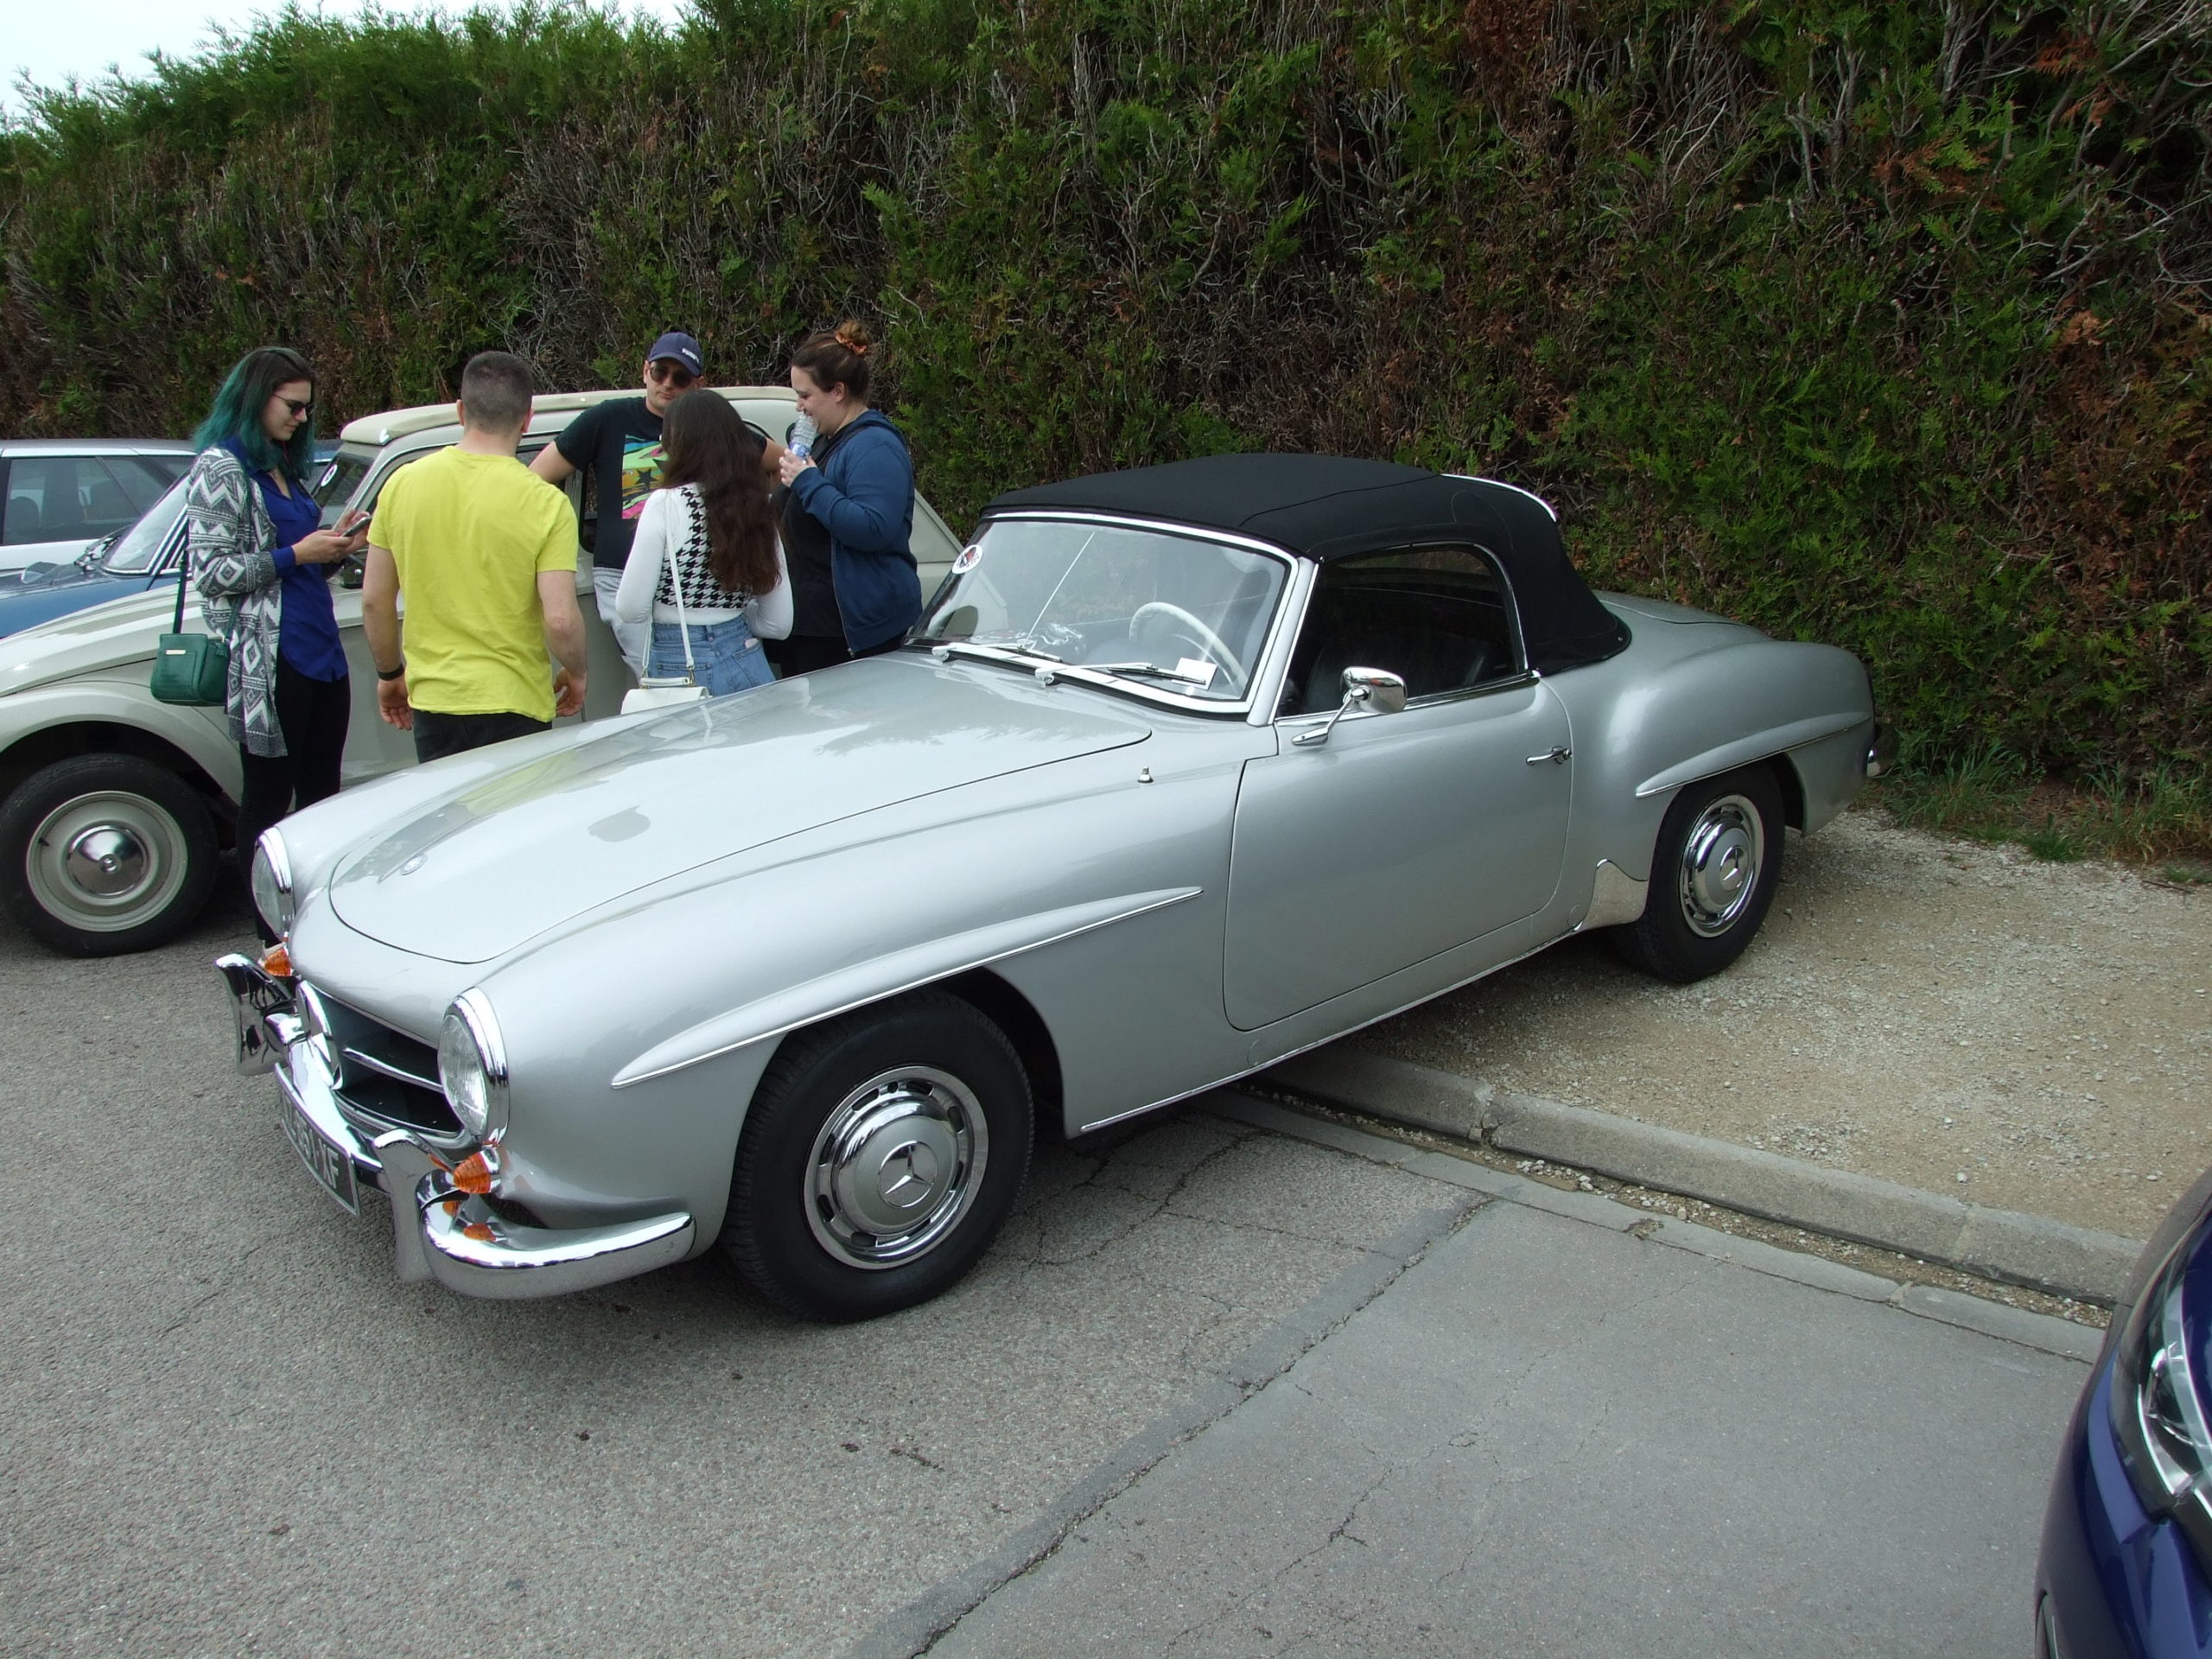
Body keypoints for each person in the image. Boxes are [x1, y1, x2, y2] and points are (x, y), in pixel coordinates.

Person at [185, 345, 368, 921]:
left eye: (308, 407)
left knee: (323, 794)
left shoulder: (283, 466)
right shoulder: (221, 468)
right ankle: (270, 931)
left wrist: (334, 548)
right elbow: (212, 572)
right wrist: (296, 553)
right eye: (293, 406)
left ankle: (320, 920)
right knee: (267, 798)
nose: (302, 418)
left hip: (320, 648)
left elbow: (298, 566)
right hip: (270, 658)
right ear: (255, 399)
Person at [361, 351, 588, 763]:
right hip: (515, 698)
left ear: (461, 411)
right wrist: (577, 671)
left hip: (434, 700)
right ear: (527, 419)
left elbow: (375, 600)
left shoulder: (402, 484)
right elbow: (560, 619)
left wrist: (390, 674)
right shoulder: (546, 503)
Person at [530, 329, 711, 680]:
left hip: (691, 577)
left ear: (698, 385)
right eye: (660, 372)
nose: (667, 384)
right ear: (645, 371)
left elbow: (776, 464)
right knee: (661, 677)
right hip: (620, 575)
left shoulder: (709, 427)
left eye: (680, 377)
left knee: (686, 679)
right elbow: (533, 480)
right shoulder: (608, 418)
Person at [614, 389, 792, 694]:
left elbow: (630, 608)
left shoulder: (665, 504)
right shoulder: (757, 508)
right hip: (747, 660)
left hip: (679, 665)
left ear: (678, 446)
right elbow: (779, 624)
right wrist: (732, 617)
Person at [772, 321, 921, 672]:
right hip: (810, 627)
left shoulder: (875, 445)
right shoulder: (823, 441)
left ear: (837, 391)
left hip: (851, 634)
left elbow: (873, 528)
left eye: (805, 395)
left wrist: (809, 483)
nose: (799, 407)